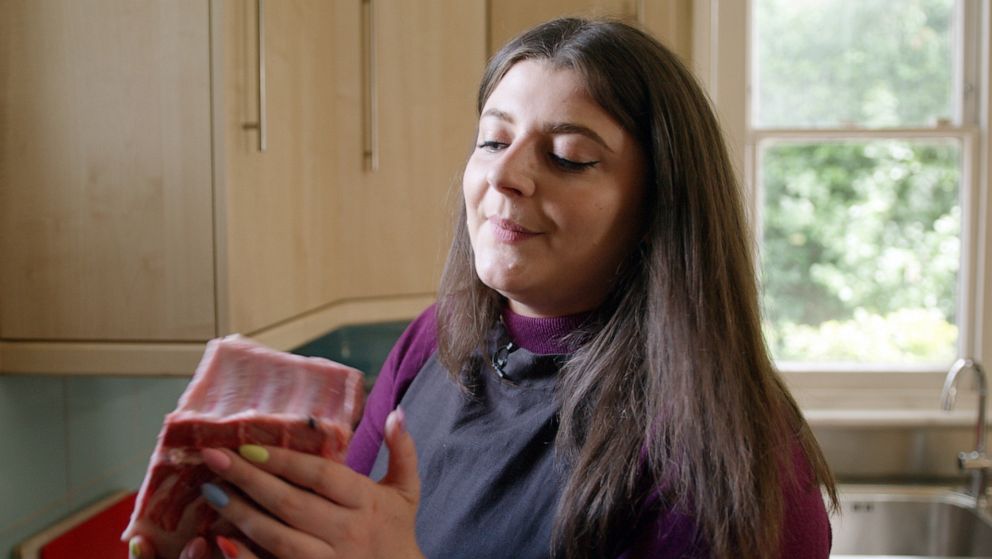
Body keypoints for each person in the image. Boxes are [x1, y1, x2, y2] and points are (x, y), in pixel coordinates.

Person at [131, 17, 837, 559]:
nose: (505, 176)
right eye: (493, 141)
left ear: (660, 206)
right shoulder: (433, 341)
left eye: (567, 157)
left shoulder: (730, 461)